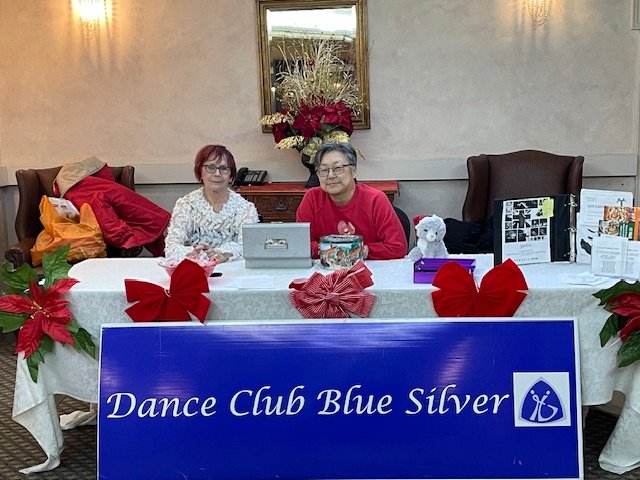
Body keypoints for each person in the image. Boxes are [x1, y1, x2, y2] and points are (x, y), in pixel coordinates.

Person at [296, 142, 407, 260]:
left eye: (338, 168)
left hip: (369, 268)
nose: (331, 175)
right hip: (325, 268)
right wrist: (335, 252)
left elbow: (397, 246)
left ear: (354, 171)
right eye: (324, 170)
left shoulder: (375, 199)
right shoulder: (312, 198)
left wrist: (360, 251)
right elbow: (300, 244)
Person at [165, 145, 259, 262]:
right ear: (200, 172)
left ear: (231, 175)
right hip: (194, 267)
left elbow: (249, 247)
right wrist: (194, 253)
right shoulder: (186, 205)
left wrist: (222, 254)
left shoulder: (246, 208)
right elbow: (171, 246)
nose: (217, 173)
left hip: (231, 268)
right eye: (211, 167)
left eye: (224, 168)